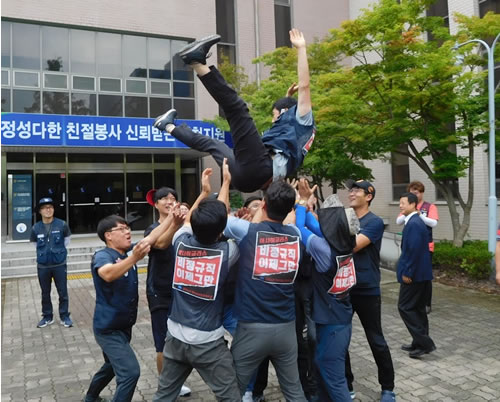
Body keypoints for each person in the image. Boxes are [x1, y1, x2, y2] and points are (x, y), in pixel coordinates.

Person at [153, 29, 315, 193]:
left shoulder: (304, 119)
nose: (273, 120)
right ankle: (167, 126)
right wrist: (287, 97)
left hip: (259, 169)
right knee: (212, 144)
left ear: (285, 111)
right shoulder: (295, 127)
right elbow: (287, 121)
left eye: (275, 115)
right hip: (245, 181)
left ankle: (196, 61)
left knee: (237, 110)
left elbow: (305, 86)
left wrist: (301, 49)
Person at [153, 161, 241, 401]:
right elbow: (223, 219)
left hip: (174, 336)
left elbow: (190, 222)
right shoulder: (228, 253)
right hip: (208, 342)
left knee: (164, 395)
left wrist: (204, 193)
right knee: (230, 396)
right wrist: (225, 182)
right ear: (221, 230)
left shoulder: (180, 242)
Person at [224, 180, 307, 401]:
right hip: (286, 327)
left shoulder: (247, 231)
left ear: (263, 204)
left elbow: (220, 216)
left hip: (251, 327)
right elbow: (290, 221)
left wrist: (225, 181)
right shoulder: (295, 235)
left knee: (233, 390)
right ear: (289, 209)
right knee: (294, 390)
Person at [84, 213, 178, 402]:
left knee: (111, 365)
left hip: (124, 326)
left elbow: (152, 237)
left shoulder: (128, 251)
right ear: (108, 236)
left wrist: (172, 220)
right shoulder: (103, 256)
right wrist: (134, 258)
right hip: (108, 329)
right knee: (130, 372)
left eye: (128, 228)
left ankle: (91, 397)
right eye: (122, 229)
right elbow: (108, 274)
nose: (128, 232)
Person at [295, 179, 357, 402]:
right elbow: (315, 226)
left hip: (332, 324)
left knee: (334, 378)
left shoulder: (323, 249)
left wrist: (301, 202)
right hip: (339, 318)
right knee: (322, 366)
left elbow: (298, 229)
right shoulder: (344, 243)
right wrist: (306, 207)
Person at [343, 180, 395, 402]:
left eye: (357, 190)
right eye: (351, 190)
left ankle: (388, 388)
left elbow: (353, 245)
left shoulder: (374, 222)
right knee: (341, 340)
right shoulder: (346, 218)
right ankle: (346, 385)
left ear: (369, 196)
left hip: (367, 289)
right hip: (344, 288)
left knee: (376, 339)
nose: (352, 193)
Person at [144, 187, 191, 397]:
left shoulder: (183, 226)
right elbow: (161, 244)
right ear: (156, 204)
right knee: (162, 342)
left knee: (179, 339)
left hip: (180, 290)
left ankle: (176, 383)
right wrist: (174, 222)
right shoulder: (152, 229)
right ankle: (166, 387)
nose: (169, 201)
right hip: (159, 291)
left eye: (173, 198)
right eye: (164, 198)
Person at [397, 192, 436, 359]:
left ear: (413, 204)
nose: (400, 206)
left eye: (403, 203)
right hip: (421, 273)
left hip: (414, 275)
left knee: (405, 307)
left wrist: (407, 272)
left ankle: (425, 343)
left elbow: (413, 251)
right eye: (399, 203)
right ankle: (418, 342)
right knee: (418, 308)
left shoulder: (413, 223)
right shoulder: (415, 221)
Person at [396, 181, 438, 313]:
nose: (415, 194)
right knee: (418, 277)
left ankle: (426, 303)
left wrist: (419, 215)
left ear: (422, 193)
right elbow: (398, 221)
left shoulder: (429, 206)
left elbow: (434, 223)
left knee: (423, 276)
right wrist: (409, 213)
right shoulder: (406, 205)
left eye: (417, 192)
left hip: (427, 246)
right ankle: (419, 304)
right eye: (412, 192)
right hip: (415, 244)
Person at [30, 197, 72, 328]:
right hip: (43, 265)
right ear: (40, 211)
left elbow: (67, 241)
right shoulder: (35, 228)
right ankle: (47, 316)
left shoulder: (62, 224)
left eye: (50, 207)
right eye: (44, 208)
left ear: (53, 209)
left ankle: (64, 316)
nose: (48, 210)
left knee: (63, 292)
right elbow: (35, 244)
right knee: (45, 292)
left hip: (59, 264)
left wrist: (57, 252)